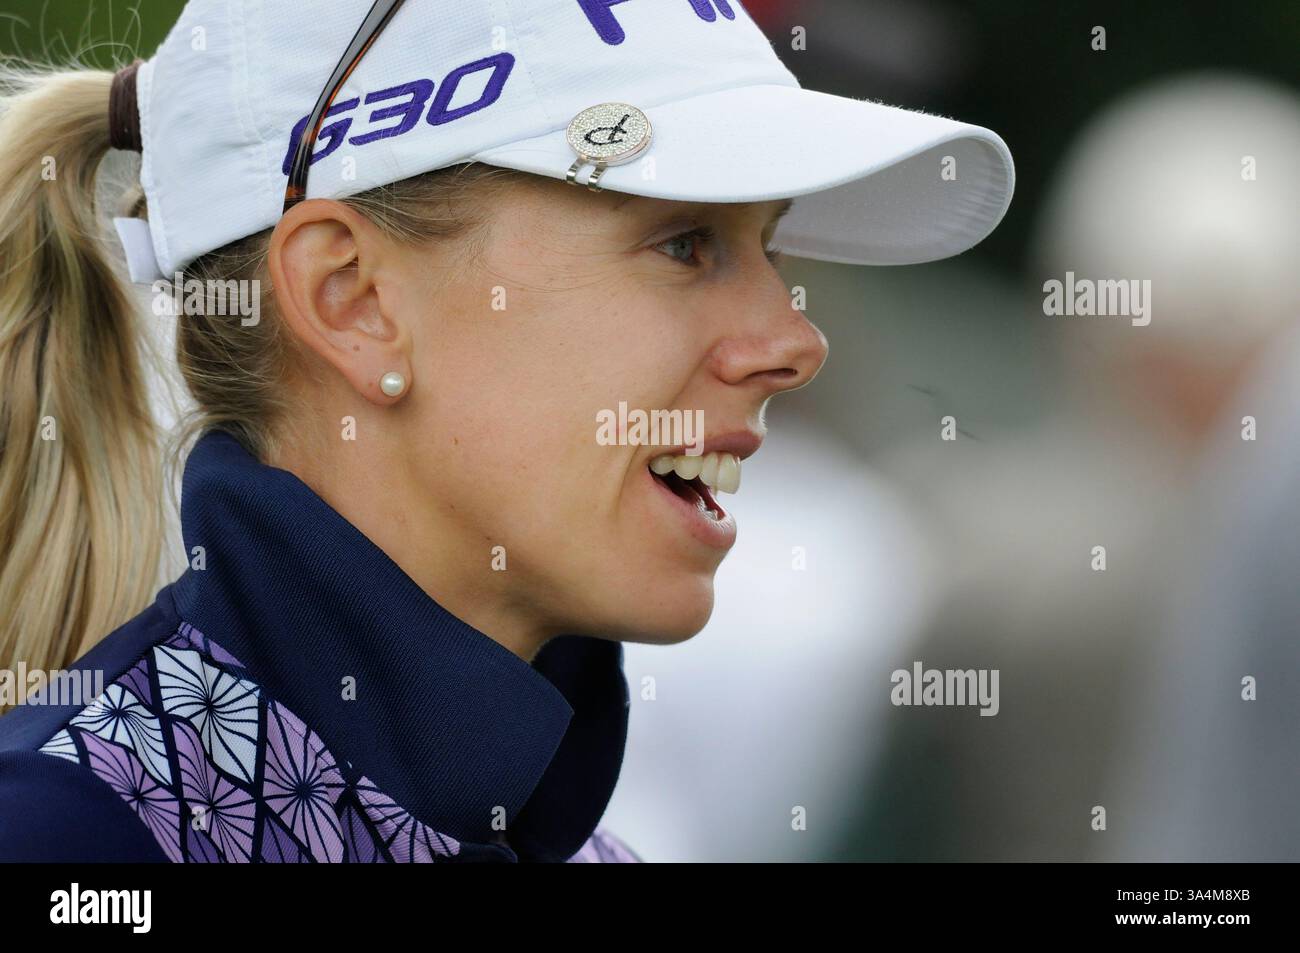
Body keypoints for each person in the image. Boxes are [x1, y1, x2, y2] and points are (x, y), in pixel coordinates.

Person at [0, 0, 1013, 862]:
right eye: (683, 242)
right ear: (352, 298)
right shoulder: (60, 834)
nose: (792, 339)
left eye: (768, 244)